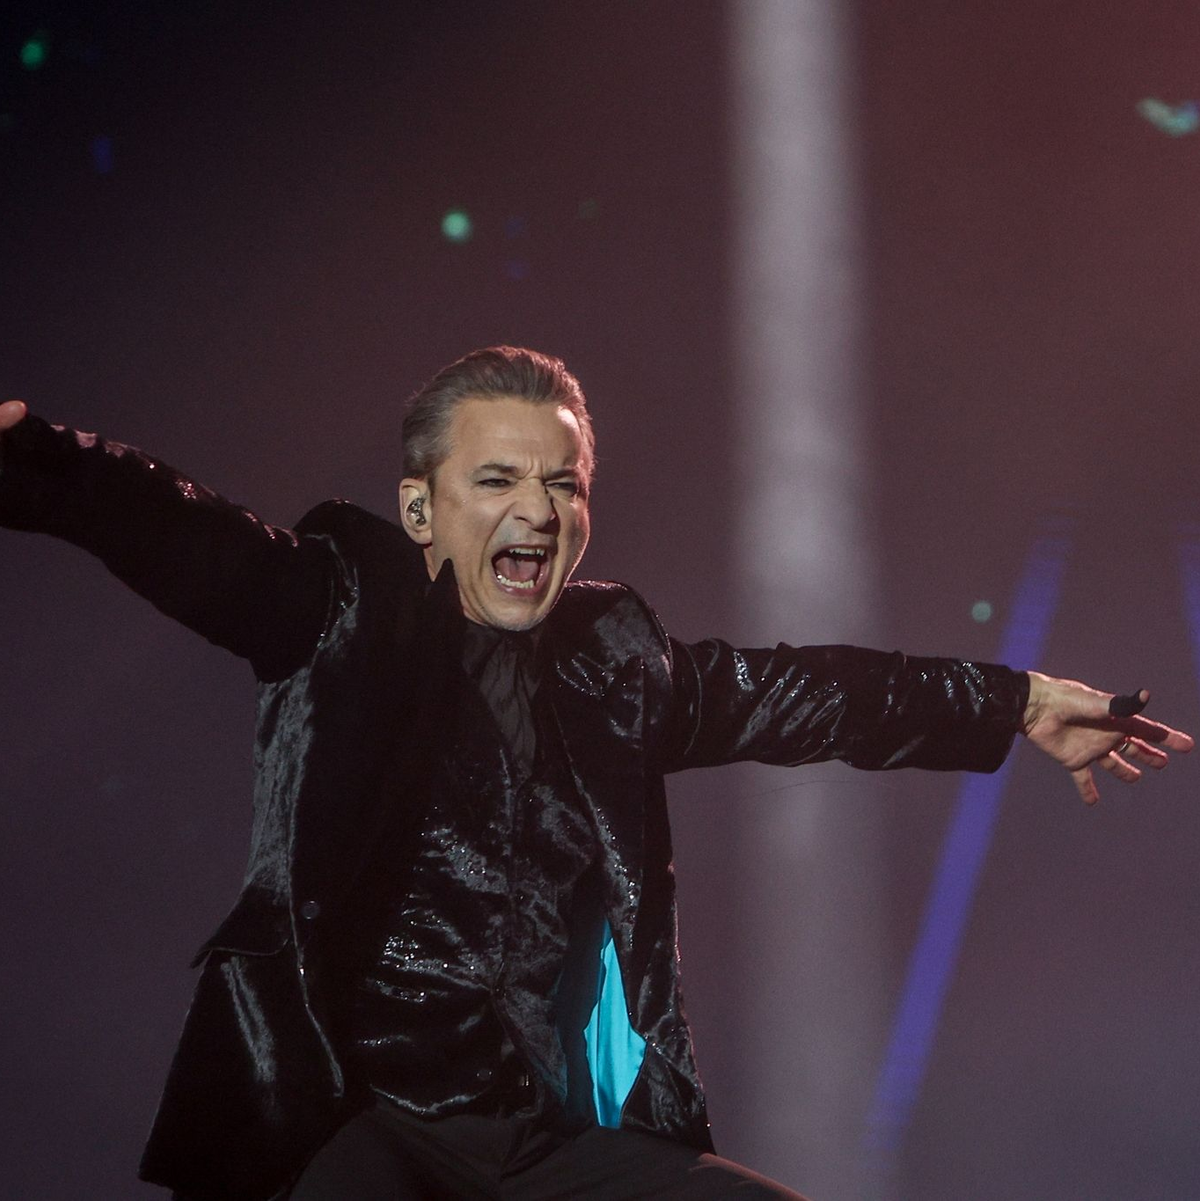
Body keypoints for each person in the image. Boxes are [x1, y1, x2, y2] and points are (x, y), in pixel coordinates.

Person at [0, 346, 1190, 1201]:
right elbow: (177, 528)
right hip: (345, 1123)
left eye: (563, 484)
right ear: (421, 507)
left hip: (536, 1138)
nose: (539, 509)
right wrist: (34, 462)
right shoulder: (340, 606)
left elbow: (814, 693)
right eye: (499, 480)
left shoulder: (615, 661)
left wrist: (1019, 700)